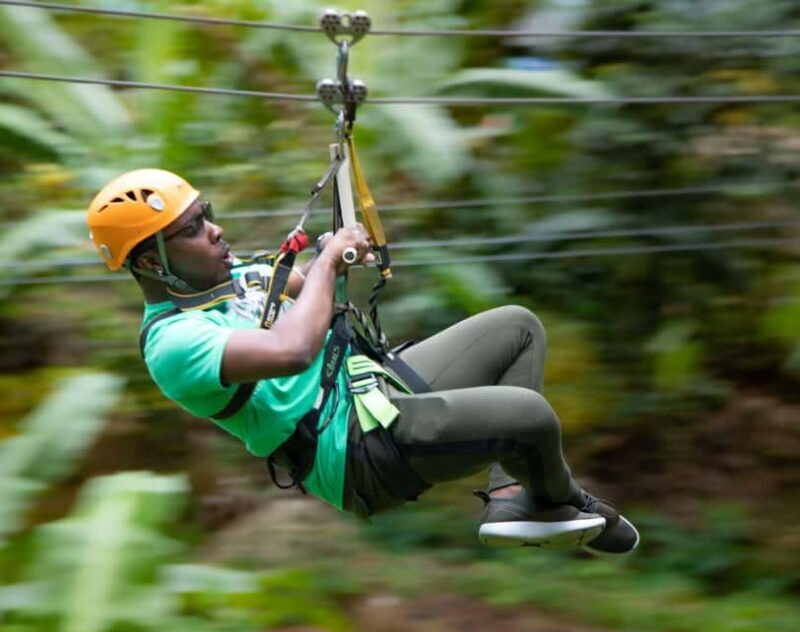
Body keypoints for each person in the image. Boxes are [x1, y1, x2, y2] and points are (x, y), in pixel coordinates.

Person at [87, 168, 639, 554]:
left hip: (374, 387)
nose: (215, 230)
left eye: (205, 214)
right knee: (530, 417)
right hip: (351, 450)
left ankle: (513, 496)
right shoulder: (174, 343)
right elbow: (291, 350)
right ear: (151, 263)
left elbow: (307, 286)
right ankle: (564, 501)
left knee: (517, 328)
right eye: (193, 229)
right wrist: (329, 262)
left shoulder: (236, 278)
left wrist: (339, 249)